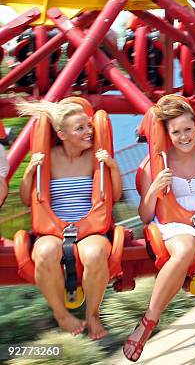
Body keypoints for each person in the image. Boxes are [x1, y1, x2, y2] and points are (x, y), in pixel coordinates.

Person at [124, 95, 195, 361]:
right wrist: (153, 189)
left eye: (188, 130)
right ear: (167, 134)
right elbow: (145, 215)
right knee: (184, 249)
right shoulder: (151, 167)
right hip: (174, 223)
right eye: (176, 132)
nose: (184, 136)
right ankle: (148, 322)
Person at [17, 99, 122, 340]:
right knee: (44, 253)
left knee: (95, 253)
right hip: (53, 231)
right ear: (62, 134)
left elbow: (114, 196)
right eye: (80, 129)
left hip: (90, 230)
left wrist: (112, 167)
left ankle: (93, 314)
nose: (89, 132)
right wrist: (30, 171)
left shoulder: (94, 157)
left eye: (88, 126)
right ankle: (61, 314)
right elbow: (26, 199)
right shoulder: (49, 159)